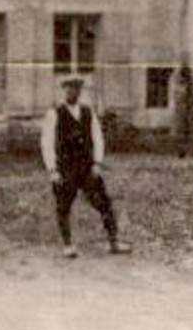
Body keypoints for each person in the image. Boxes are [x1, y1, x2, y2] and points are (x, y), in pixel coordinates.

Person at [40, 75, 130, 258]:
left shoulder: (88, 112)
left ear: (80, 91)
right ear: (63, 90)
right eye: (68, 88)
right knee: (63, 206)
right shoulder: (55, 112)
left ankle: (113, 241)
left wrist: (97, 162)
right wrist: (52, 170)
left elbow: (97, 138)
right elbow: (47, 142)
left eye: (76, 88)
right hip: (65, 167)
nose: (72, 91)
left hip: (87, 166)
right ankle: (68, 245)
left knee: (103, 202)